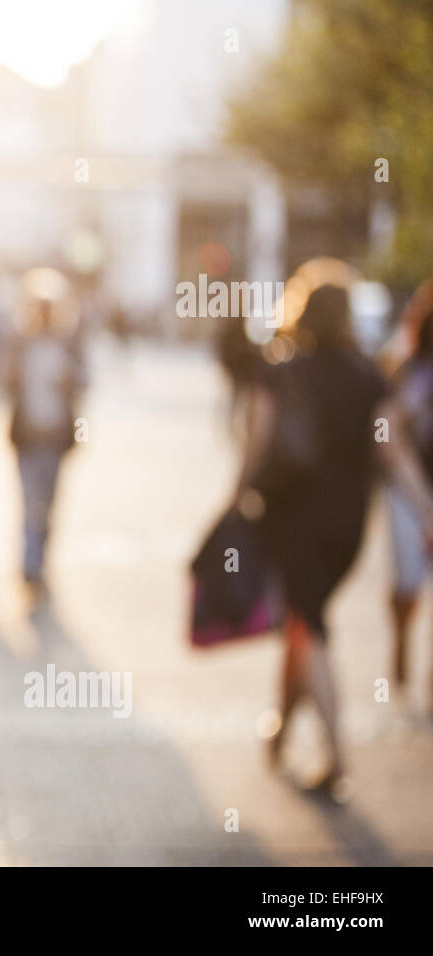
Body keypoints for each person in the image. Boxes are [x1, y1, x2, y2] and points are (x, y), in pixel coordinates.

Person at [236, 284, 433, 800]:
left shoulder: (280, 369)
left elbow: (256, 439)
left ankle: (336, 759)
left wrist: (237, 497)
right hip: (348, 526)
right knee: (304, 621)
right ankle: (279, 730)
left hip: (294, 519)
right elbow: (391, 449)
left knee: (311, 626)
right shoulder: (369, 376)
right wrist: (424, 509)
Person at [3, 268, 85, 588]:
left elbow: (85, 380)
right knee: (28, 500)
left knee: (48, 502)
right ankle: (30, 561)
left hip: (56, 435)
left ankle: (41, 555)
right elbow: (6, 382)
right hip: (27, 435)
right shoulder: (20, 344)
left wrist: (69, 381)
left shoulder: (69, 345)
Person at [379, 279, 433, 702]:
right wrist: (423, 503)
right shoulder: (408, 369)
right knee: (409, 581)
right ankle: (401, 635)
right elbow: (388, 436)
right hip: (409, 489)